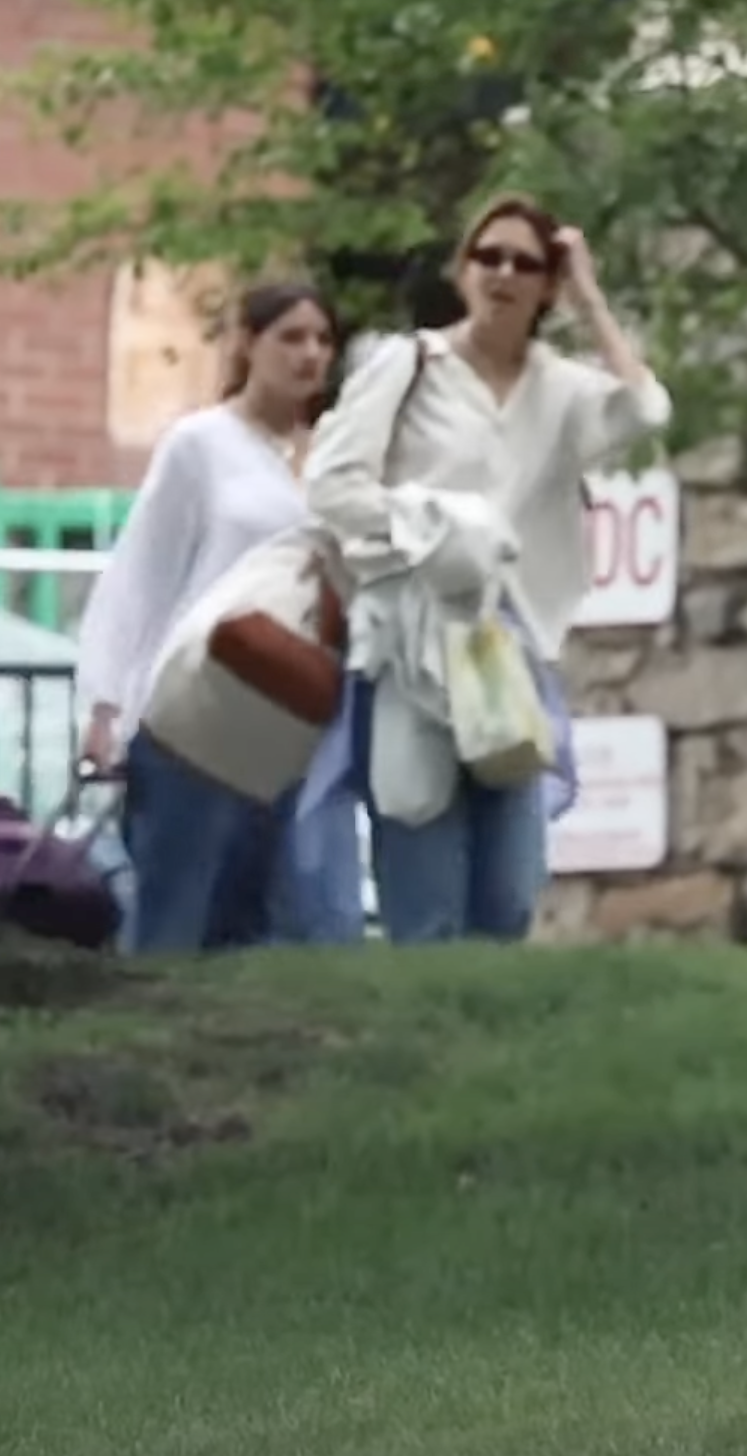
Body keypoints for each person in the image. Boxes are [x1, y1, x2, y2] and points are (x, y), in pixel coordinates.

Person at [299, 195, 671, 943]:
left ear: (547, 285)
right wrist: (435, 525)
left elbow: (646, 411)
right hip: (415, 638)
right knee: (425, 861)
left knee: (508, 886)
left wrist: (592, 298)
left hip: (508, 646)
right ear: (462, 270)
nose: (503, 273)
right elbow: (332, 486)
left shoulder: (558, 386)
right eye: (487, 256)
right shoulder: (411, 365)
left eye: (525, 263)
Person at [73, 282, 368, 953]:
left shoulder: (335, 455)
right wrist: (105, 704)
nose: (310, 354)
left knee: (296, 921)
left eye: (323, 340)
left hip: (295, 714)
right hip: (198, 711)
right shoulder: (201, 445)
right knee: (178, 916)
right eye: (291, 337)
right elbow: (142, 575)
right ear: (248, 343)